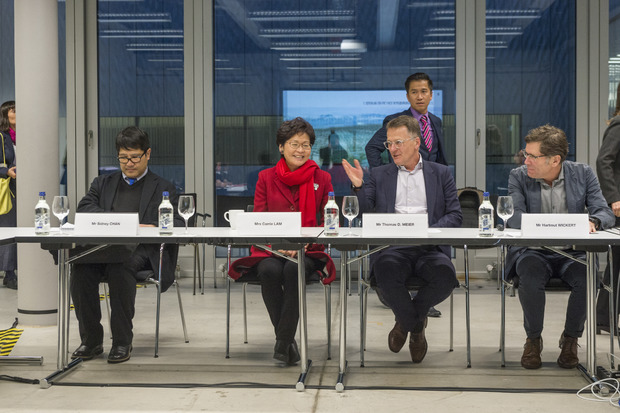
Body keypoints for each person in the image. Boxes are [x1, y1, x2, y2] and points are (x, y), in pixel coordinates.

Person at [342, 115, 462, 363]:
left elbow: (455, 215)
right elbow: (365, 213)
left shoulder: (440, 173)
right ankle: (416, 327)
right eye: (389, 144)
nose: (392, 149)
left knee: (445, 276)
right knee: (384, 272)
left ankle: (404, 322)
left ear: (416, 142)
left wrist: (427, 231)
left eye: (398, 143)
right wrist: (359, 186)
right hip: (392, 248)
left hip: (429, 246)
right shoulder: (379, 174)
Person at [505, 124, 615, 370]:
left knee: (586, 278)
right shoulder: (519, 175)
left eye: (533, 156)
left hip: (572, 252)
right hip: (534, 250)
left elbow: (604, 212)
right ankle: (533, 339)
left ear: (555, 160)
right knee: (529, 276)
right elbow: (514, 216)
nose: (526, 161)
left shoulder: (583, 174)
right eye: (526, 154)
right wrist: (557, 225)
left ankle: (571, 339)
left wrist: (593, 221)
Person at [70, 126, 183, 364]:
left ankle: (122, 341)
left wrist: (135, 228)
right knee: (80, 267)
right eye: (123, 158)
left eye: (134, 157)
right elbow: (85, 208)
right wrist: (120, 223)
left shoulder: (163, 187)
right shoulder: (102, 183)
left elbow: (173, 222)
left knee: (121, 266)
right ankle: (91, 340)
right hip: (104, 247)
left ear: (147, 154)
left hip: (141, 249)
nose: (129, 163)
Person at [228, 117, 336, 365]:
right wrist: (279, 245)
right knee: (268, 270)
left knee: (292, 270)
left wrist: (304, 244)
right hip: (270, 249)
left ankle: (282, 341)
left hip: (308, 251)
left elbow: (327, 222)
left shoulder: (322, 178)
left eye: (306, 145)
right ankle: (287, 341)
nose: (301, 150)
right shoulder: (266, 178)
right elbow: (259, 220)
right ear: (281, 147)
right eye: (295, 144)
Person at [365, 73, 447, 168]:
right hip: (403, 180)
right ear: (408, 96)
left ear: (431, 95)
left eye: (424, 91)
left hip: (432, 180)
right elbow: (372, 148)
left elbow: (437, 155)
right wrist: (384, 175)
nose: (419, 97)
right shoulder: (394, 121)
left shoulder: (436, 121)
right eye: (414, 92)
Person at [596, 84, 620, 334]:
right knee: (617, 265)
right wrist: (613, 198)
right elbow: (604, 161)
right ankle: (604, 318)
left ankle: (604, 319)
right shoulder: (619, 124)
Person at [0, 101, 17, 290]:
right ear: (6, 114)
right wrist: (6, 172)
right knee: (8, 227)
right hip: (7, 187)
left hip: (22, 185)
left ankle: (12, 271)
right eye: (14, 110)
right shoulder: (1, 136)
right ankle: (9, 273)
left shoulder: (23, 136)